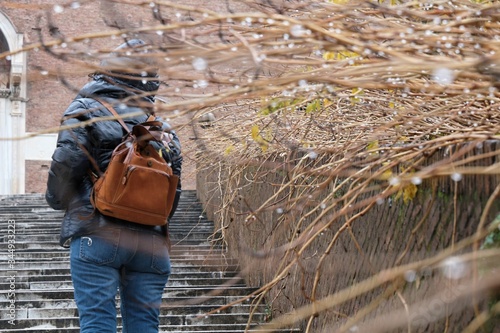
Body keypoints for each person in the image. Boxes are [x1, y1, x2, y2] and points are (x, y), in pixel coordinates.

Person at [45, 39, 182, 333]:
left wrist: (56, 200)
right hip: (152, 243)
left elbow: (67, 162)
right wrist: (146, 217)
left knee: (97, 323)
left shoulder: (85, 108)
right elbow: (174, 187)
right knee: (145, 326)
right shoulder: (160, 126)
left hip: (97, 231)